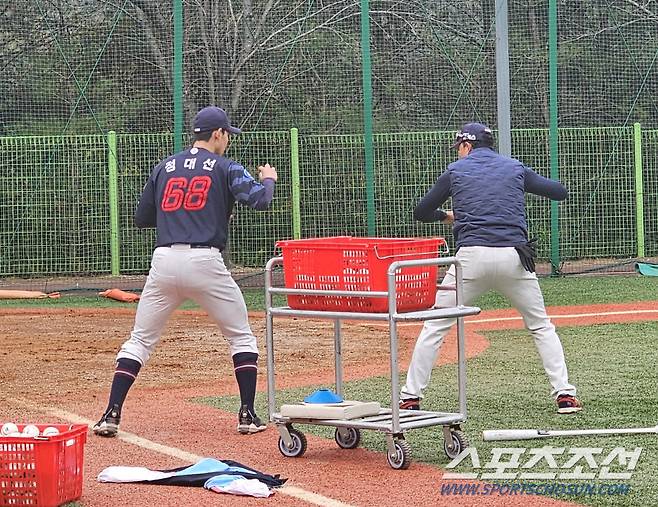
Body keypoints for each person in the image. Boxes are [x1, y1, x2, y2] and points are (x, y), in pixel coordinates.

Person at [93, 106, 278, 437]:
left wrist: (186, 215)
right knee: (240, 335)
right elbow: (260, 201)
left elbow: (142, 219)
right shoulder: (225, 166)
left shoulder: (164, 166)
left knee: (140, 340)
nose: (228, 141)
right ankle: (247, 415)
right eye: (227, 135)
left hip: (164, 261)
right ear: (218, 134)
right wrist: (268, 179)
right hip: (205, 262)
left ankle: (110, 414)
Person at [399, 122, 582, 415]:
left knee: (435, 326)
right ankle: (565, 395)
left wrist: (448, 216)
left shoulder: (456, 171)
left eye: (459, 148)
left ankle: (410, 398)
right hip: (515, 258)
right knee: (541, 326)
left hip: (470, 259)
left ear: (466, 146)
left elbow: (420, 211)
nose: (459, 153)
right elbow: (559, 192)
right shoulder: (514, 167)